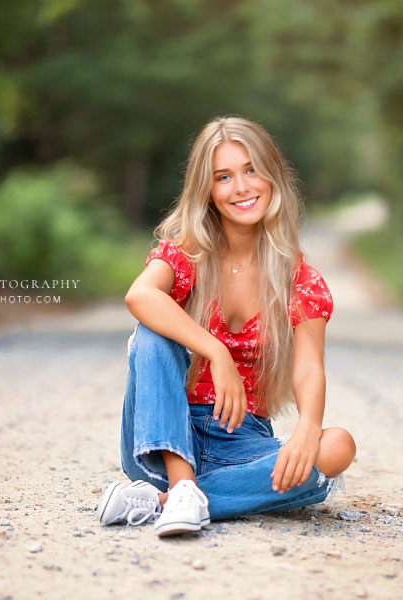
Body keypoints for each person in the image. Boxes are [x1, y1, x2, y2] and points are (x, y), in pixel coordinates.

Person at [97, 116, 356, 537]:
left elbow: (310, 368)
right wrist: (216, 352)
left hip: (243, 441)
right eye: (224, 176)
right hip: (163, 434)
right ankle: (180, 483)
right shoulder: (186, 256)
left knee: (337, 446)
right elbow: (139, 296)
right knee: (153, 327)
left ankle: (166, 500)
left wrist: (308, 429)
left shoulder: (299, 280)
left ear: (272, 177)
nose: (241, 187)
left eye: (251, 169)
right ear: (208, 191)